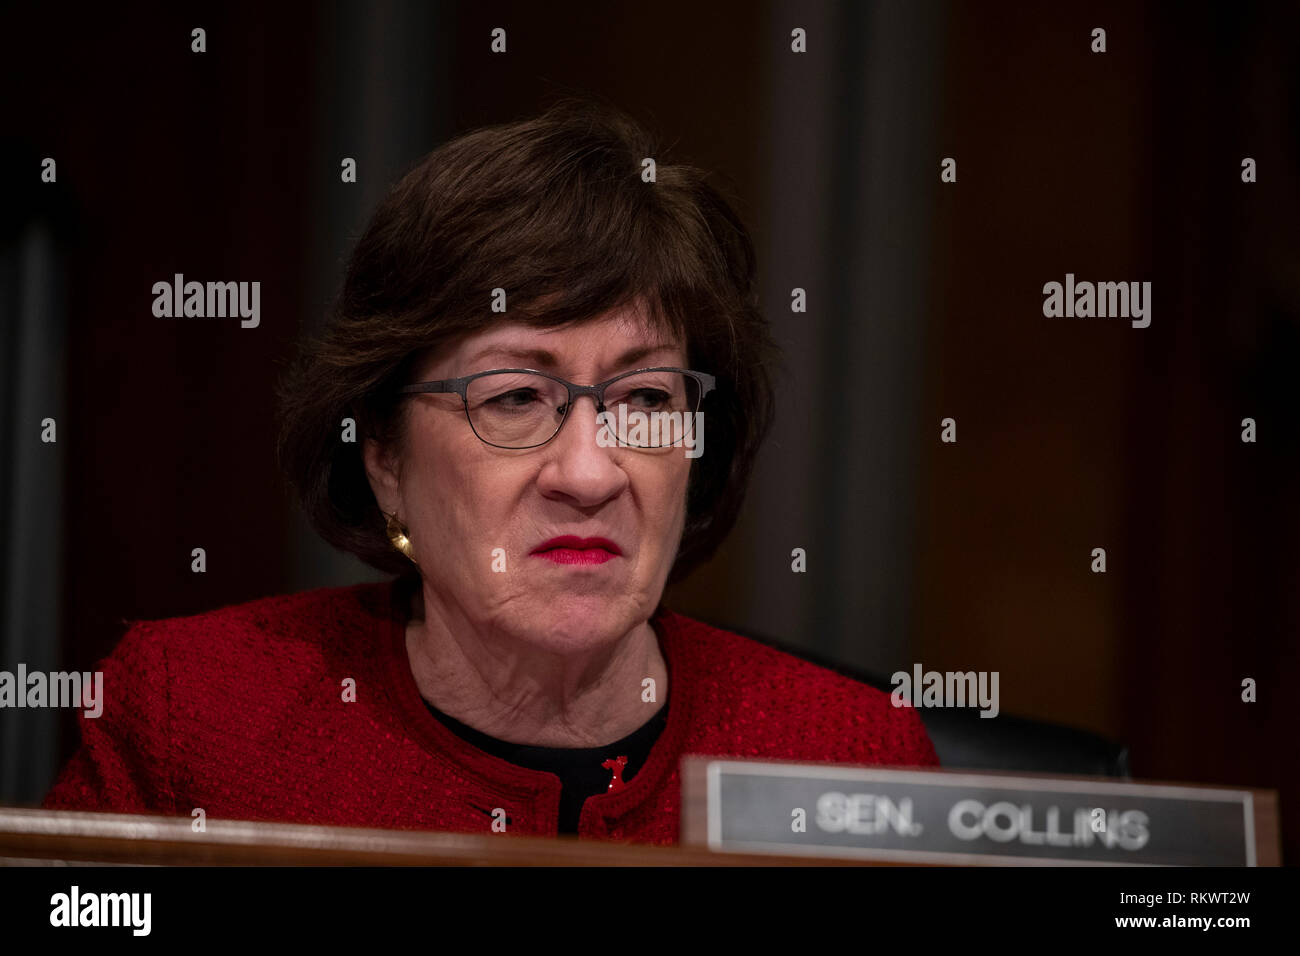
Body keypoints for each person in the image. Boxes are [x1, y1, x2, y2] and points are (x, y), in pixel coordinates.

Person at [43, 98, 938, 843]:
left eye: (646, 400)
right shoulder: (194, 719)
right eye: (515, 397)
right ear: (384, 456)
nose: (589, 473)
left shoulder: (850, 759)